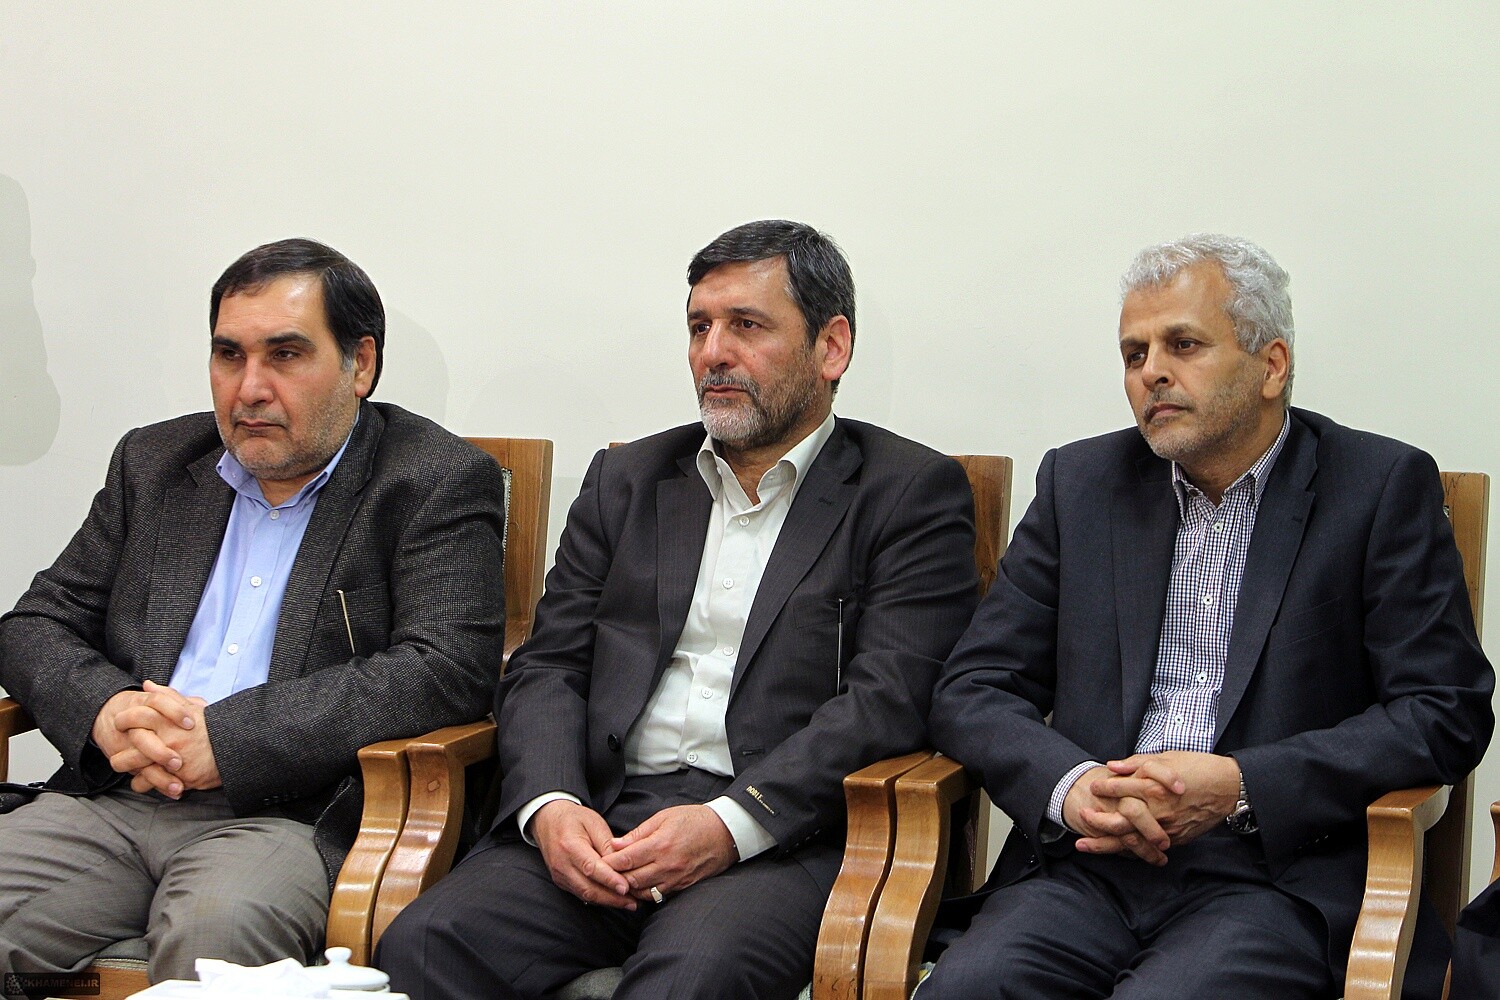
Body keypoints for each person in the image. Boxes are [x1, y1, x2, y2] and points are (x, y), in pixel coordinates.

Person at [376, 220, 980, 1000]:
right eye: (699, 327)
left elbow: (889, 700)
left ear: (831, 347)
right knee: (425, 945)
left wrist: (730, 822)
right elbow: (549, 665)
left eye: (746, 326)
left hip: (778, 836)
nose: (712, 353)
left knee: (687, 981)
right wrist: (552, 804)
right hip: (605, 812)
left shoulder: (907, 493)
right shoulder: (627, 480)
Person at [921, 234, 1494, 1000]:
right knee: (971, 987)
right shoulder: (1082, 484)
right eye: (1134, 353)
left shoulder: (1378, 487)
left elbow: (1444, 711)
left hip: (1274, 877)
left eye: (1183, 344)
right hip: (1090, 865)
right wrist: (1071, 785)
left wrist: (1243, 783)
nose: (1151, 371)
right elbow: (974, 687)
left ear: (1272, 365)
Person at [0, 238, 506, 981]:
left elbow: (445, 669)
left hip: (285, 817)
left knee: (216, 945)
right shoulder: (156, 462)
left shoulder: (434, 479)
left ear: (361, 365)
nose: (250, 389)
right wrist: (106, 709)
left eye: (286, 355)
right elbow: (36, 624)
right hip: (111, 800)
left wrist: (232, 740)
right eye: (229, 355)